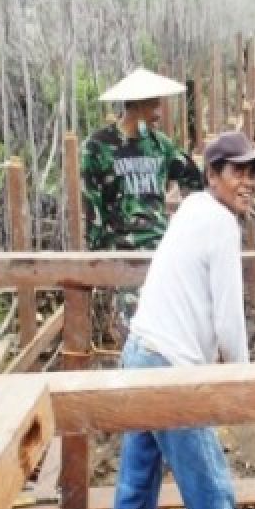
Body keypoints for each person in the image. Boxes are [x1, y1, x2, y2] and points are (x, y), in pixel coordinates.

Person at [100, 131, 255, 509]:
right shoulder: (220, 224)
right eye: (237, 171)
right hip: (171, 369)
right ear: (212, 175)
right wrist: (242, 382)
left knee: (136, 484)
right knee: (209, 489)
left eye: (253, 172)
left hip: (140, 354)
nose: (249, 181)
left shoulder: (193, 209)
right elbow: (228, 319)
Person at [81, 67, 203, 334]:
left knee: (172, 324)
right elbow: (91, 204)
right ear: (135, 104)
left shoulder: (159, 145)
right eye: (153, 104)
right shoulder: (98, 146)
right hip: (122, 252)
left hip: (161, 250)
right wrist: (96, 259)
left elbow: (196, 180)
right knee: (133, 329)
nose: (159, 111)